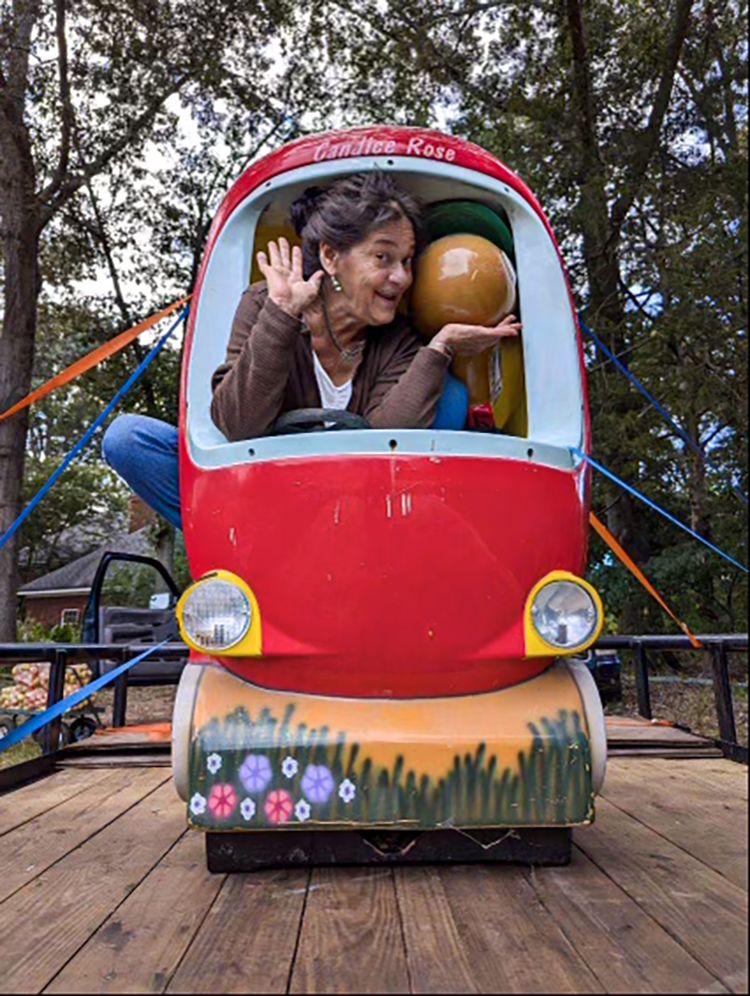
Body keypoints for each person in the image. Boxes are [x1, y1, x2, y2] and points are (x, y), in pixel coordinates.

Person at [103, 172, 521, 530]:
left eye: (407, 261)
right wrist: (281, 316)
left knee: (447, 394)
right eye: (383, 257)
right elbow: (238, 425)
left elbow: (387, 442)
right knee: (128, 439)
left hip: (361, 512)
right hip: (265, 506)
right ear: (331, 257)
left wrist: (441, 345)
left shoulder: (398, 339)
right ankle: (235, 546)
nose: (401, 277)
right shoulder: (264, 302)